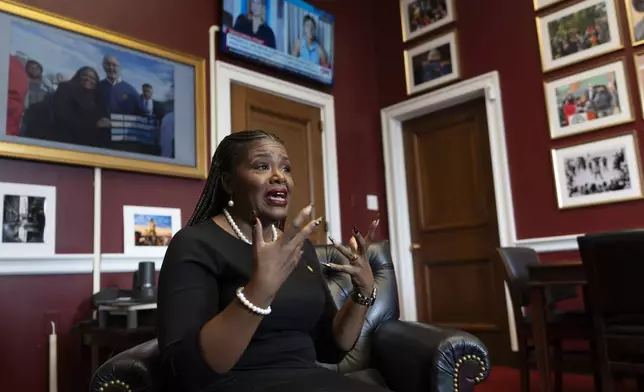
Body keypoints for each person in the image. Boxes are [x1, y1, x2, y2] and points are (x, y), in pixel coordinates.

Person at [158, 130, 389, 392]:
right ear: (228, 182)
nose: (280, 176)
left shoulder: (301, 248)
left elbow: (330, 348)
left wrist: (363, 292)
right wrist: (259, 291)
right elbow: (186, 370)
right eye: (262, 166)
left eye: (286, 168)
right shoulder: (194, 243)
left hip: (309, 380)